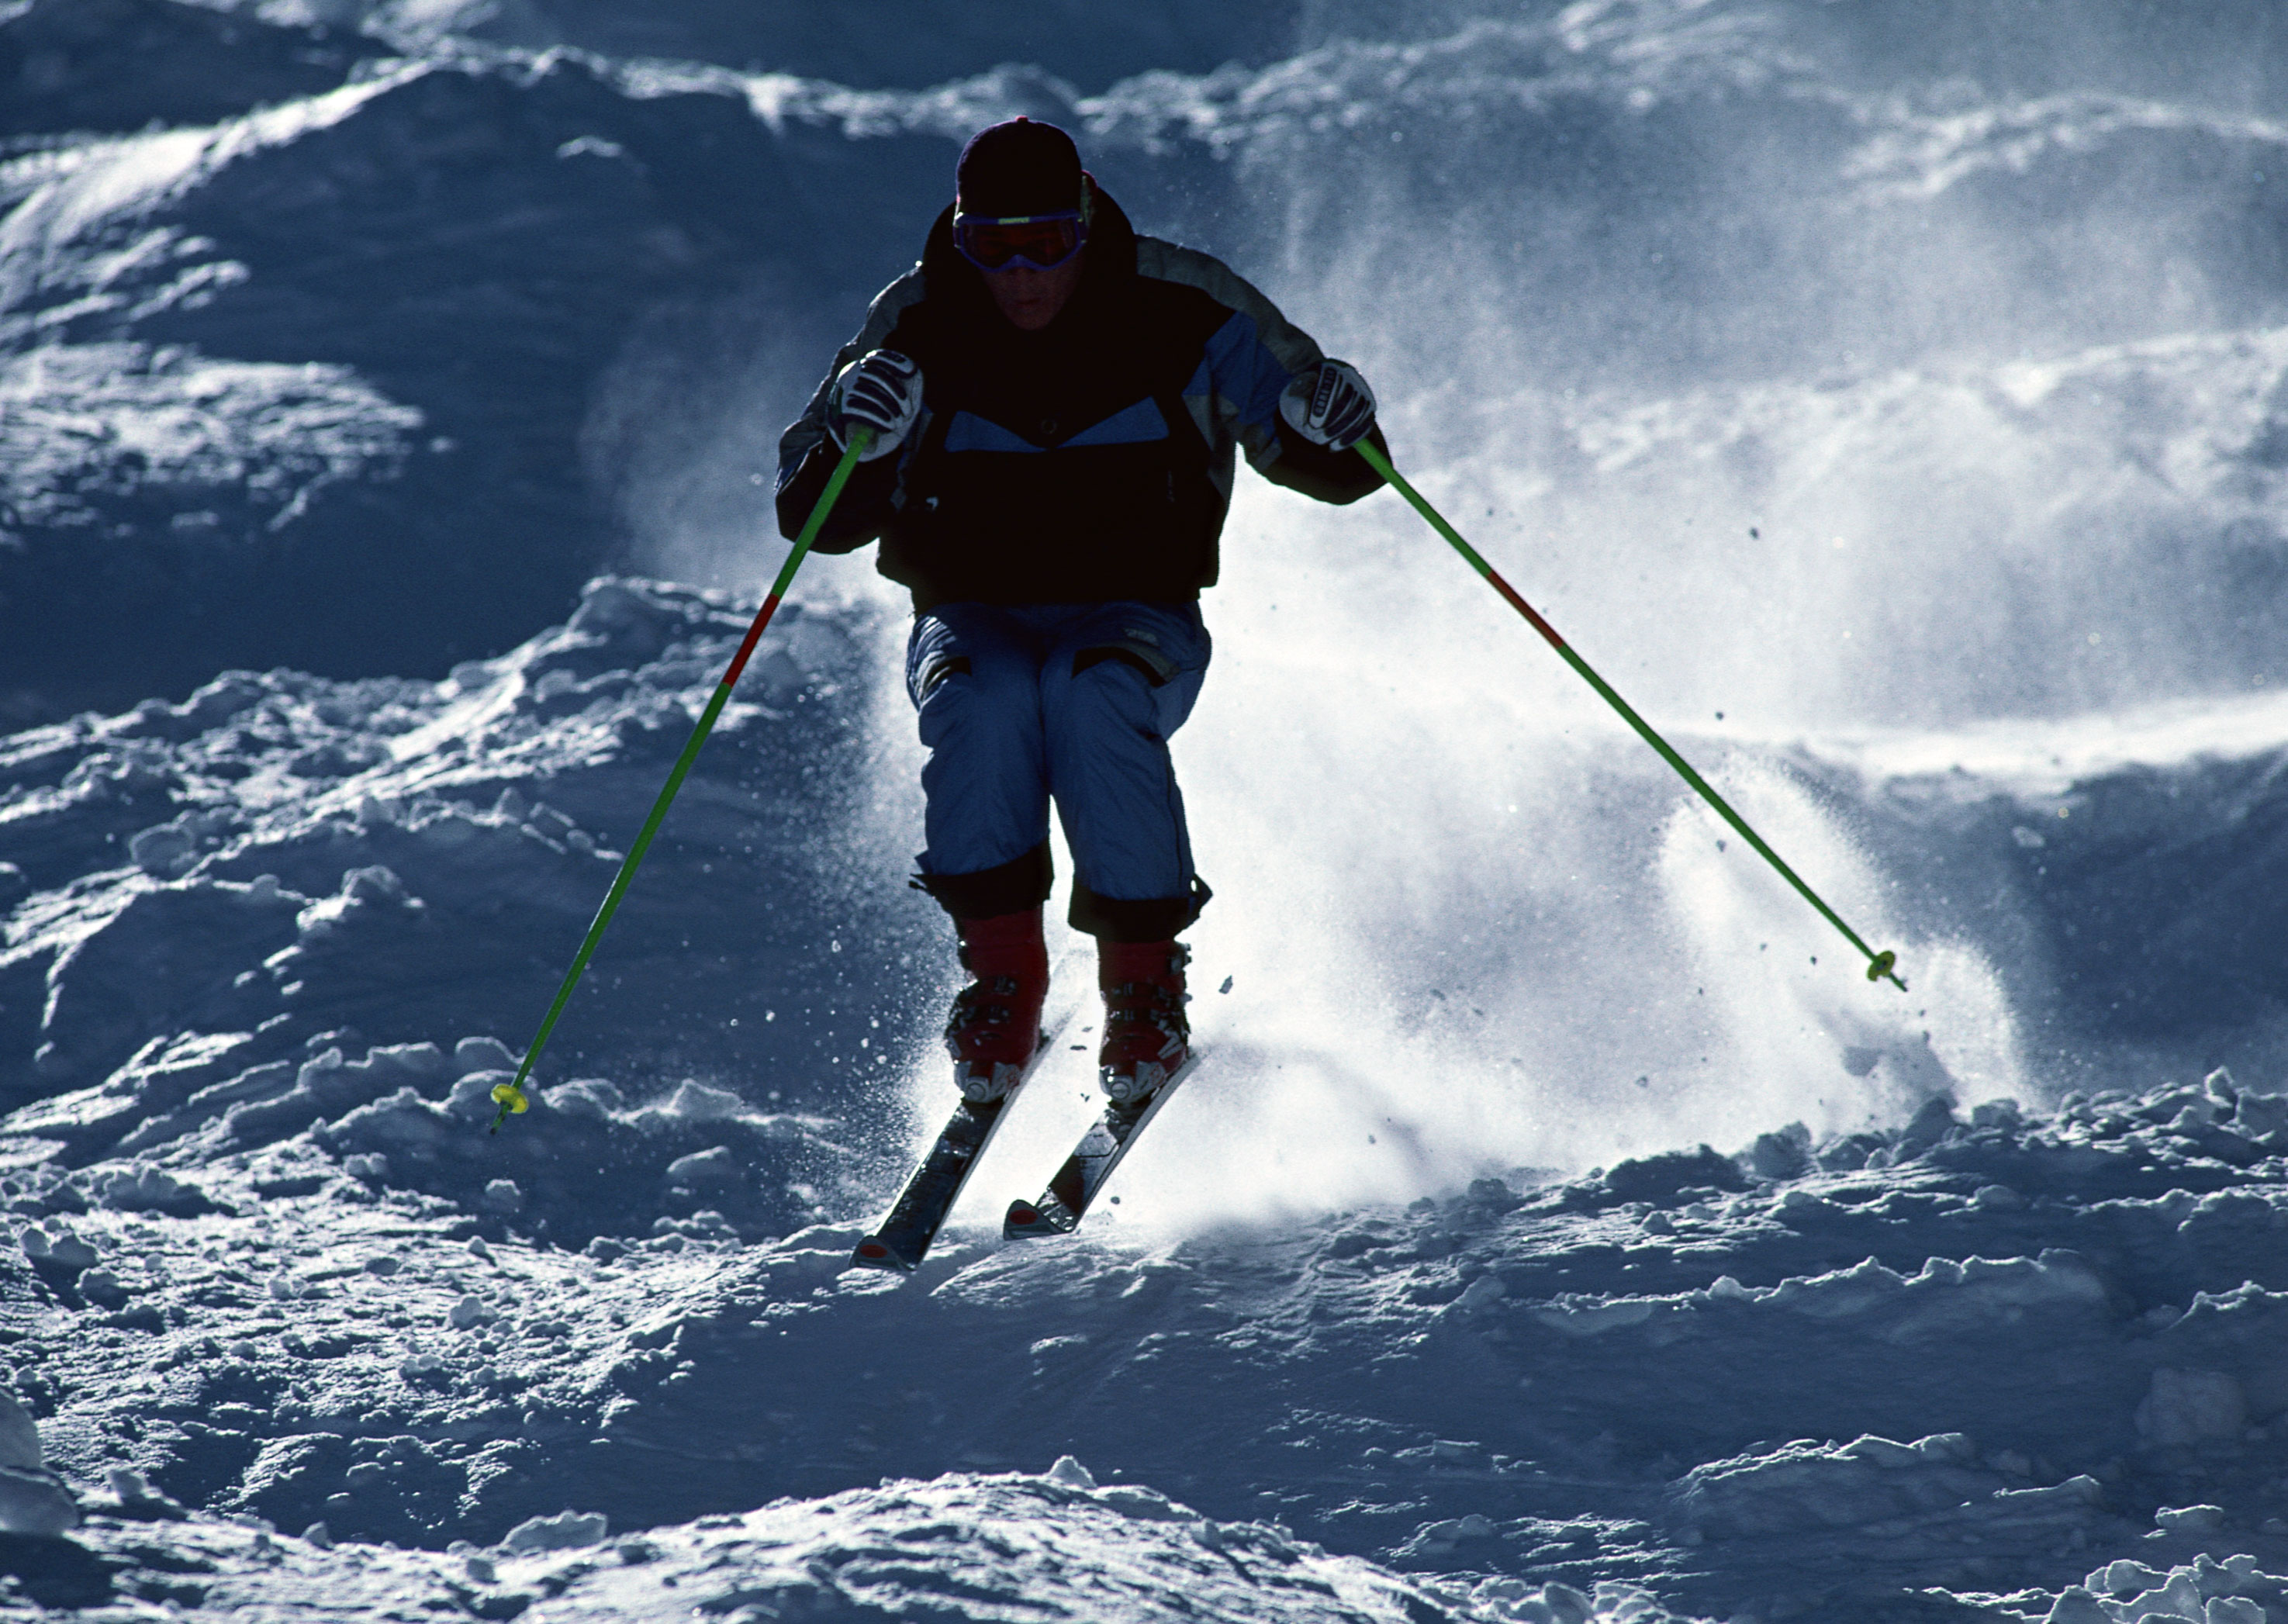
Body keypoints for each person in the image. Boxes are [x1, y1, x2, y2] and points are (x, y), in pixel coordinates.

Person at [776, 116, 1383, 1111]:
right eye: (991, 247)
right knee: (986, 698)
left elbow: (1317, 446)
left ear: (1087, 222)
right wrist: (863, 441)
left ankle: (1143, 988)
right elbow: (813, 514)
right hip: (970, 611)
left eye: (1047, 242)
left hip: (1137, 606)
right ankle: (1003, 977)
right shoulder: (919, 319)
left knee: (1094, 692)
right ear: (962, 236)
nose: (1020, 274)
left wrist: (1336, 419)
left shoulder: (1180, 302)